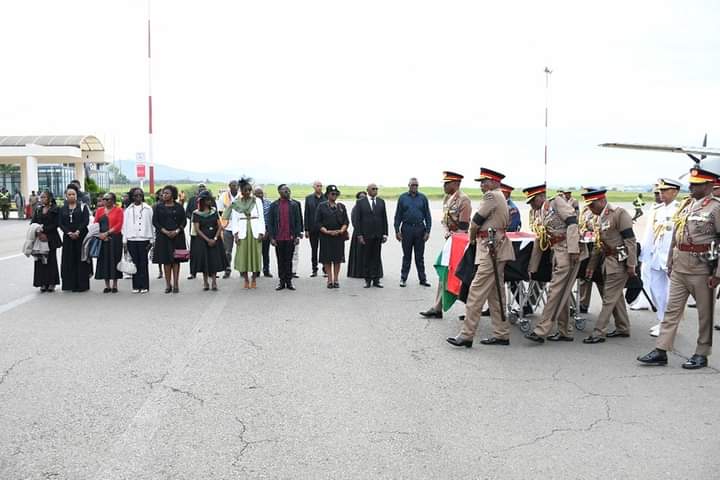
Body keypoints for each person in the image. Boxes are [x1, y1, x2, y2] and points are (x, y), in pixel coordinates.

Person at [638, 168, 720, 369]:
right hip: (680, 266)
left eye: (697, 184)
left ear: (709, 186)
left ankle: (701, 353)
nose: (691, 187)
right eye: (691, 184)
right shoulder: (685, 205)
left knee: (705, 314)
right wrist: (670, 262)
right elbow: (676, 235)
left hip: (702, 269)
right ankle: (661, 350)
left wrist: (718, 274)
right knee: (671, 310)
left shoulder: (716, 208)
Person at [447, 168, 515, 347]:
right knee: (495, 293)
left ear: (494, 182)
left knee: (475, 292)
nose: (482, 185)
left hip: (490, 249)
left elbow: (476, 221)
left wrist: (471, 240)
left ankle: (466, 334)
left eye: (484, 182)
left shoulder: (491, 196)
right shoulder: (500, 196)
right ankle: (502, 333)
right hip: (498, 247)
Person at [522, 184, 587, 343]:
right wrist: (533, 266)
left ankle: (541, 330)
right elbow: (540, 238)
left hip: (567, 252)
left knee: (555, 292)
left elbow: (572, 222)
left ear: (539, 197)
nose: (531, 205)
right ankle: (565, 331)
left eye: (532, 201)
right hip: (556, 253)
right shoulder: (539, 212)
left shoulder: (556, 202)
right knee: (561, 292)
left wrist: (573, 250)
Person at [582, 189, 637, 343]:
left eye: (592, 205)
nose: (590, 209)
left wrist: (631, 265)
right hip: (608, 262)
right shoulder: (599, 217)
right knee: (615, 297)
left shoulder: (619, 214)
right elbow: (598, 245)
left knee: (608, 299)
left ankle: (599, 332)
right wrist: (591, 266)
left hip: (619, 263)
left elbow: (630, 241)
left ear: (601, 201)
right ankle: (623, 327)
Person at [419, 171, 472, 318]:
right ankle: (437, 306)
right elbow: (444, 220)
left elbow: (463, 226)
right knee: (444, 273)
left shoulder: (464, 200)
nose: (444, 186)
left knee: (462, 277)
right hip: (450, 241)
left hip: (459, 243)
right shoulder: (447, 198)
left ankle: (471, 310)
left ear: (456, 184)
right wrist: (447, 232)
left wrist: (453, 236)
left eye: (447, 183)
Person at [640, 179, 680, 336]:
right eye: (660, 191)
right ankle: (662, 320)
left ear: (675, 192)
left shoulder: (680, 209)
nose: (661, 194)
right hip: (656, 256)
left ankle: (670, 325)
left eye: (665, 190)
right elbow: (649, 234)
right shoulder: (656, 209)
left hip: (672, 258)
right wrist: (644, 255)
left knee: (673, 294)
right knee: (656, 290)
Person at [223, 178, 265, 289]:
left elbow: (261, 218)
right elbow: (235, 220)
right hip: (242, 231)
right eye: (245, 190)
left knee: (255, 255)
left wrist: (261, 232)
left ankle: (254, 279)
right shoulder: (237, 203)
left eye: (249, 190)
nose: (248, 192)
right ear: (241, 191)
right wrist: (235, 234)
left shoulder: (257, 201)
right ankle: (246, 279)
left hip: (255, 230)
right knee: (243, 256)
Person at [394, 177, 432, 287]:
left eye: (416, 185)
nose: (414, 187)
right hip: (407, 229)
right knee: (407, 256)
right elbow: (398, 216)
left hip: (420, 229)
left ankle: (423, 279)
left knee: (419, 257)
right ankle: (403, 278)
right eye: (412, 185)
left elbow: (427, 216)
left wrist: (428, 231)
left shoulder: (423, 198)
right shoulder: (403, 198)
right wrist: (397, 230)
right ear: (408, 186)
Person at [153, 185, 188, 293]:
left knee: (176, 261)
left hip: (177, 237)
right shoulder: (158, 207)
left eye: (167, 193)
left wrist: (177, 231)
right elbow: (155, 222)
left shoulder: (179, 207)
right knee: (166, 261)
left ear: (172, 195)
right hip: (163, 237)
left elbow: (184, 221)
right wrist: (165, 231)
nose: (164, 195)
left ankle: (176, 284)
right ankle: (168, 285)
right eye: (163, 193)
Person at [268, 184, 303, 290]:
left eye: (288, 190)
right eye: (285, 191)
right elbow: (270, 223)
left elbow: (298, 221)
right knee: (280, 260)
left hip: (290, 237)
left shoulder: (294, 205)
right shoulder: (274, 205)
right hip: (278, 238)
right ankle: (281, 281)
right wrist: (272, 237)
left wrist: (297, 236)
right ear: (279, 192)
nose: (288, 192)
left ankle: (289, 281)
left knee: (289, 260)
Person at [191, 190, 227, 291]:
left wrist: (215, 238)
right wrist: (208, 240)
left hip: (214, 238)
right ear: (202, 201)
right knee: (205, 261)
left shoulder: (214, 211)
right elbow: (197, 229)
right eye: (207, 200)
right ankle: (206, 282)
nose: (209, 202)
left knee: (214, 260)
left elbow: (219, 226)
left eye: (210, 200)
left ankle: (214, 282)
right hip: (202, 239)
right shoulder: (196, 213)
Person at [355, 183, 388, 288]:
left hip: (378, 234)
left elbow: (384, 218)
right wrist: (359, 234)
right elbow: (357, 220)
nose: (375, 190)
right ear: (368, 190)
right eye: (373, 189)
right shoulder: (360, 202)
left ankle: (376, 279)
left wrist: (385, 233)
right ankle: (367, 280)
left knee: (376, 257)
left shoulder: (381, 202)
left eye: (376, 189)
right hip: (366, 234)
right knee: (367, 257)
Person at [316, 185, 349, 288]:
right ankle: (329, 279)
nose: (334, 195)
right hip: (326, 236)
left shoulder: (341, 207)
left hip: (338, 236)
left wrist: (341, 230)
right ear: (327, 195)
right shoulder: (321, 206)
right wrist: (326, 231)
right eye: (332, 194)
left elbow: (346, 221)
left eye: (336, 194)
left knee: (337, 258)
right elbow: (318, 222)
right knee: (327, 258)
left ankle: (336, 279)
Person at [59, 185, 91, 292]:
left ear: (77, 196)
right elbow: (60, 223)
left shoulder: (82, 207)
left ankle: (81, 285)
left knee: (81, 260)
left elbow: (85, 221)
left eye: (73, 194)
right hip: (68, 238)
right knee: (69, 260)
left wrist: (77, 231)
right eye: (69, 194)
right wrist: (68, 232)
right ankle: (70, 284)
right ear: (66, 196)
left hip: (80, 237)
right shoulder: (63, 208)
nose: (71, 196)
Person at [122, 187, 154, 293]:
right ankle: (136, 286)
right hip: (131, 239)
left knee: (143, 262)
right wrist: (125, 241)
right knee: (135, 263)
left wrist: (152, 240)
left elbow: (152, 225)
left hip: (144, 239)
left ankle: (144, 285)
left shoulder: (148, 209)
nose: (138, 197)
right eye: (136, 195)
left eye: (140, 195)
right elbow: (125, 226)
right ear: (132, 197)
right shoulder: (128, 210)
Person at [30, 190, 62, 292]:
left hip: (51, 238)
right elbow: (33, 222)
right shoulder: (38, 209)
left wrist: (45, 232)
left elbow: (56, 223)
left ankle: (51, 283)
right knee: (40, 261)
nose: (42, 199)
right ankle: (42, 283)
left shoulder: (55, 209)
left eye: (44, 197)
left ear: (49, 198)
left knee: (51, 260)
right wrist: (39, 232)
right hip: (39, 238)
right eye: (41, 197)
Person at [94, 192, 124, 293]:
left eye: (108, 199)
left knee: (115, 259)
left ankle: (115, 284)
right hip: (102, 239)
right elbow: (95, 224)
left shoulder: (119, 210)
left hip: (115, 238)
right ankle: (107, 285)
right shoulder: (99, 210)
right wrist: (100, 235)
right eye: (104, 199)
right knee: (104, 261)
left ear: (113, 200)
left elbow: (119, 224)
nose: (106, 201)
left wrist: (107, 233)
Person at [218, 180, 240, 278]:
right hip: (228, 226)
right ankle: (227, 269)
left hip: (240, 227)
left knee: (241, 250)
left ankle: (241, 269)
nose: (235, 187)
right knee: (227, 251)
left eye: (236, 185)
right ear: (229, 186)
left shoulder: (241, 195)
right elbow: (220, 212)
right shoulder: (224, 196)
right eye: (233, 185)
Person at [304, 180, 327, 277]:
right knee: (314, 249)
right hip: (312, 228)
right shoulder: (309, 198)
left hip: (324, 228)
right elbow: (306, 214)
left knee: (325, 249)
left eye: (321, 186)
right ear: (313, 187)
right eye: (318, 186)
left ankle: (325, 269)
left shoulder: (326, 198)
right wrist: (306, 229)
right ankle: (314, 269)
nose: (319, 187)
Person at [185, 184, 206, 280]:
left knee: (207, 252)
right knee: (194, 252)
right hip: (194, 230)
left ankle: (210, 271)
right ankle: (193, 272)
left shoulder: (209, 200)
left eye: (203, 189)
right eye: (200, 189)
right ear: (197, 191)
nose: (201, 191)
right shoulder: (192, 200)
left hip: (207, 230)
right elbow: (187, 212)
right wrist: (195, 218)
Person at [347, 191, 368, 278]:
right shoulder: (355, 208)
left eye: (364, 197)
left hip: (369, 233)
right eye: (361, 197)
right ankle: (358, 272)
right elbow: (355, 222)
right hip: (359, 233)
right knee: (359, 254)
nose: (363, 199)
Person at [255, 186, 273, 278]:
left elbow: (271, 219)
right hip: (255, 231)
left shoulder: (268, 203)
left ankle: (266, 270)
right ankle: (256, 270)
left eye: (261, 193)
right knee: (256, 252)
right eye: (257, 193)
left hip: (266, 230)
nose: (260, 195)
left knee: (265, 252)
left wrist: (268, 232)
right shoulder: (252, 204)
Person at [288, 187, 303, 278]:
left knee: (295, 252)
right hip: (283, 233)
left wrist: (300, 231)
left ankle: (293, 271)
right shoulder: (276, 204)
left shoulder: (296, 203)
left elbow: (299, 218)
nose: (287, 192)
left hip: (294, 232)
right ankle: (286, 271)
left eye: (288, 191)